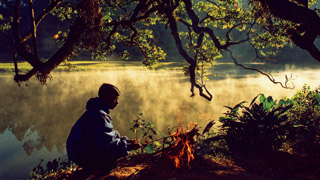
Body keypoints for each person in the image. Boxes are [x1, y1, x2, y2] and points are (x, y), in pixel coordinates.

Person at [66, 83, 141, 175]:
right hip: (80, 153)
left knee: (116, 133)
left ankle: (91, 167)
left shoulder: (97, 110)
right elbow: (106, 143)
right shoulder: (98, 115)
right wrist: (128, 146)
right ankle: (96, 169)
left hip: (78, 150)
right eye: (115, 98)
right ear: (106, 97)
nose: (117, 102)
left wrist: (126, 141)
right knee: (109, 159)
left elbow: (108, 135)